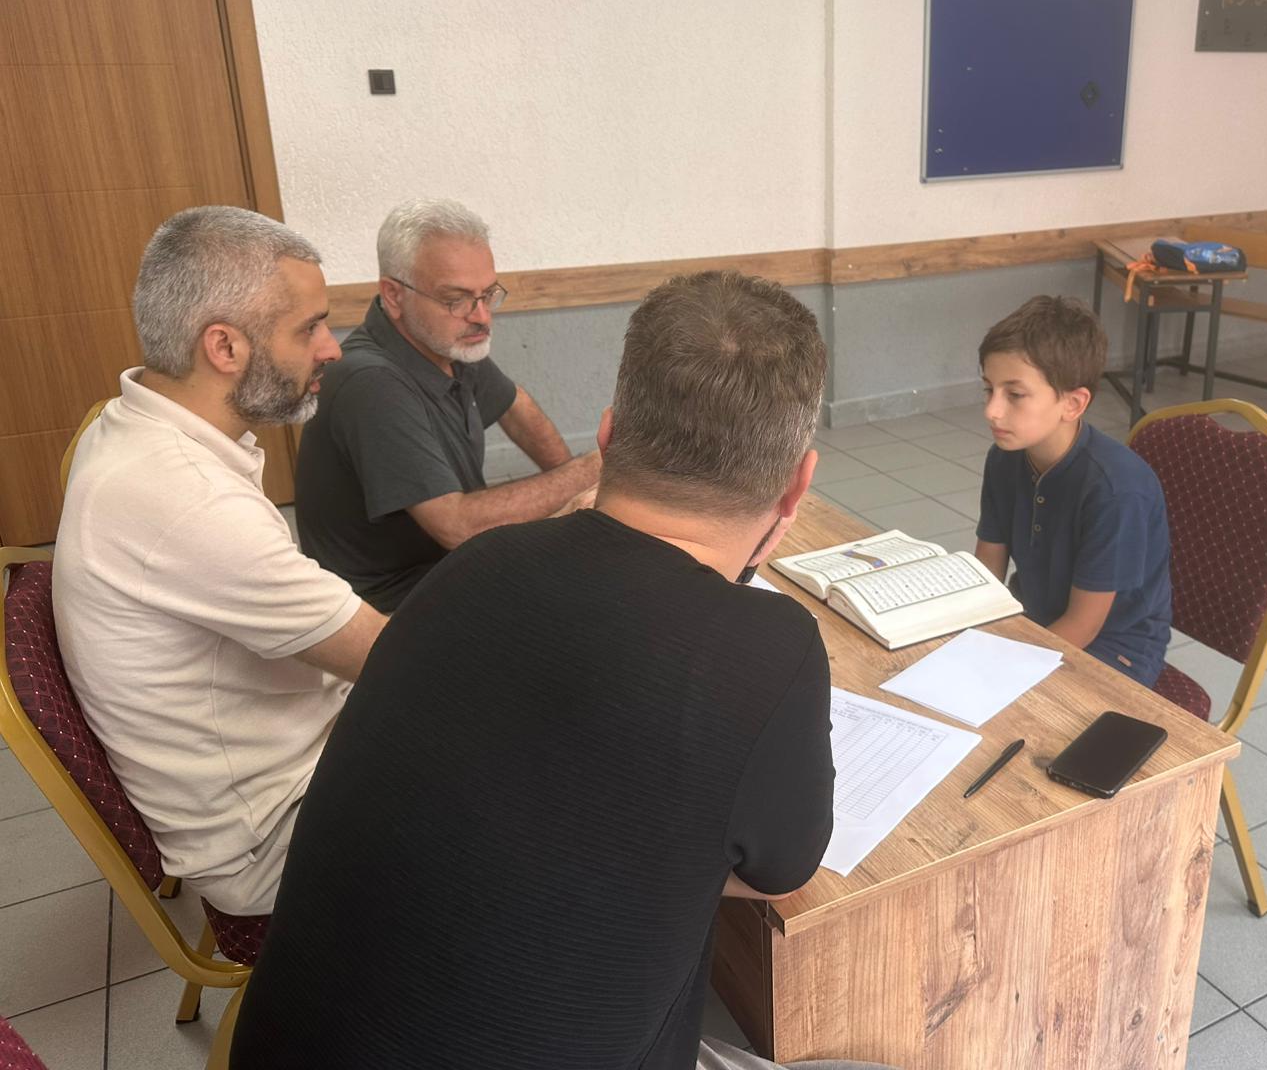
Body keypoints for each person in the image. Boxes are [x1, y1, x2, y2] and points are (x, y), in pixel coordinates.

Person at [231, 272, 891, 1070]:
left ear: (607, 437)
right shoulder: (770, 648)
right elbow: (781, 871)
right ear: (797, 486)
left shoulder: (472, 568)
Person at [52, 206, 388, 916]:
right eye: (308, 328)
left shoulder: (127, 424)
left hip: (287, 765)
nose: (331, 349)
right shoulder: (187, 499)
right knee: (544, 766)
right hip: (275, 839)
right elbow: (394, 658)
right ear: (225, 347)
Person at [293, 198, 601, 611]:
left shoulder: (446, 343)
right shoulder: (371, 382)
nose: (482, 316)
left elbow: (516, 406)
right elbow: (457, 526)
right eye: (456, 299)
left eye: (488, 294)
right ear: (394, 295)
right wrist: (591, 469)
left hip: (449, 571)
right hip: (391, 608)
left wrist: (580, 498)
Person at [973, 295, 1172, 686]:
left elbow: (1083, 625)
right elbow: (987, 573)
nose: (991, 410)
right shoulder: (1004, 458)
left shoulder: (1115, 491)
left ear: (1073, 404)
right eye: (988, 389)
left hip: (1114, 650)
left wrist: (997, 670)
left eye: (1014, 394)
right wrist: (968, 635)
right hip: (1034, 619)